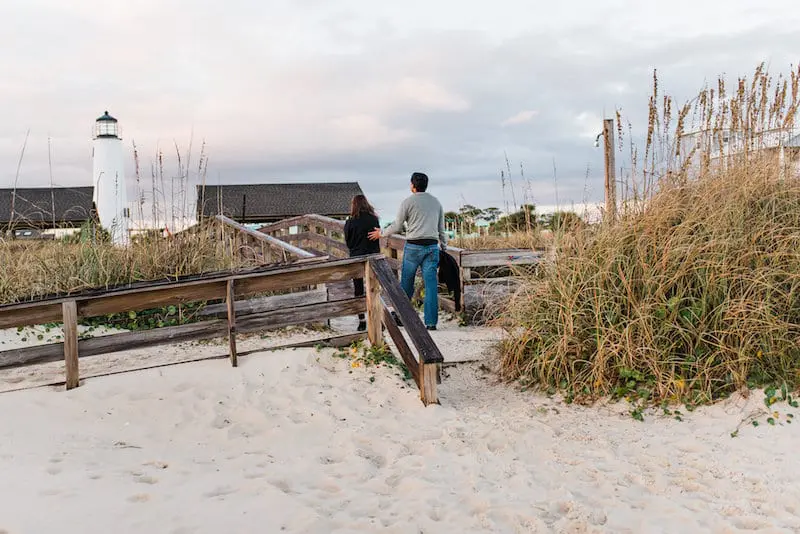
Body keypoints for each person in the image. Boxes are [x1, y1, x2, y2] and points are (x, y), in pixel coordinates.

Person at [368, 172, 446, 330]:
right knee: (431, 285)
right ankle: (431, 323)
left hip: (413, 247)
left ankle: (402, 317)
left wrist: (381, 233)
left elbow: (397, 226)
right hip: (432, 247)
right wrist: (443, 247)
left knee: (406, 283)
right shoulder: (436, 203)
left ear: (413, 185)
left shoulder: (407, 202)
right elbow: (441, 229)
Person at [344, 194, 381, 331]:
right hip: (373, 258)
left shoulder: (350, 222)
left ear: (354, 205)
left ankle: (362, 320)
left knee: (358, 289)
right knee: (374, 288)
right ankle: (377, 318)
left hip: (357, 258)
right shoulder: (374, 220)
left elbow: (348, 243)